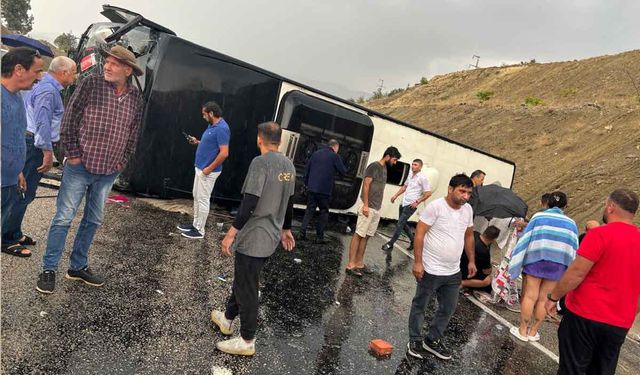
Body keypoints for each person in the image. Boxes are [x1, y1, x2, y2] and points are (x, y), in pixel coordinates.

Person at [36, 46, 144, 294]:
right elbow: (70, 120)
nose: (106, 66)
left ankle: (77, 266)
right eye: (107, 62)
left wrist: (122, 162)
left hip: (108, 171)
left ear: (128, 70)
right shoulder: (91, 84)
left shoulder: (135, 98)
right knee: (64, 217)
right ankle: (49, 269)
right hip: (80, 166)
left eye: (114, 64)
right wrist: (72, 155)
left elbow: (133, 133)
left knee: (93, 219)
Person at [210, 121, 295, 356]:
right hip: (269, 238)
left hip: (253, 237)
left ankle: (247, 340)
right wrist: (286, 228)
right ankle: (227, 319)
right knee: (245, 279)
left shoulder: (260, 163)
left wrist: (230, 233)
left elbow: (249, 202)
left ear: (260, 139)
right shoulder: (288, 165)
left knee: (247, 287)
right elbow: (289, 201)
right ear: (279, 140)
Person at [546, 189, 640, 375]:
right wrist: (629, 314)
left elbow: (577, 272)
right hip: (619, 323)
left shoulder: (600, 234)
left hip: (584, 314)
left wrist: (553, 297)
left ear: (611, 207)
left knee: (572, 368)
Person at [3, 56, 77, 249]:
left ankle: (13, 232)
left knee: (22, 190)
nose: (75, 77)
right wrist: (47, 151)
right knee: (22, 192)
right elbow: (42, 122)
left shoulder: (43, 87)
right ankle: (7, 238)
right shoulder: (48, 90)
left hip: (28, 142)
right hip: (34, 144)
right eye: (74, 72)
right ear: (63, 73)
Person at [407, 174, 476, 360]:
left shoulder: (468, 210)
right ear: (450, 189)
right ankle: (414, 340)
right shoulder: (435, 207)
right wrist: (418, 262)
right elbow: (419, 234)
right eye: (462, 191)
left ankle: (432, 340)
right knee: (421, 305)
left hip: (453, 271)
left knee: (448, 308)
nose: (465, 196)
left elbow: (469, 236)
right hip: (430, 269)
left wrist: (471, 260)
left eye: (469, 193)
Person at [508, 191, 579, 342]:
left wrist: (518, 257)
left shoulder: (539, 217)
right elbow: (573, 246)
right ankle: (533, 331)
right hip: (558, 265)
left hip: (536, 259)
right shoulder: (571, 223)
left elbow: (526, 237)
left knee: (530, 295)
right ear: (565, 206)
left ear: (548, 203)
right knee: (543, 299)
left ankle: (522, 330)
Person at [1, 47, 44, 258]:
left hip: (9, 180)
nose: (39, 78)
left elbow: (13, 137)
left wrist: (18, 169)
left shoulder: (17, 96)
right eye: (36, 71)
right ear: (19, 69)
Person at [177, 101, 230, 239]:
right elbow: (211, 145)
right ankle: (195, 225)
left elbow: (224, 153)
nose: (203, 117)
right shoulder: (212, 125)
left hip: (208, 171)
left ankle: (200, 231)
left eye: (204, 114)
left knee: (203, 199)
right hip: (201, 168)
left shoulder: (222, 129)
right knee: (196, 196)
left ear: (211, 113)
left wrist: (208, 169)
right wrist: (197, 142)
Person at [345, 146, 401, 277]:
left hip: (376, 208)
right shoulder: (373, 166)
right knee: (359, 234)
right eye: (394, 159)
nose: (395, 162)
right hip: (368, 207)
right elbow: (366, 185)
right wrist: (365, 205)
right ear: (387, 156)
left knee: (367, 236)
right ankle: (350, 265)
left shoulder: (385, 169)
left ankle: (359, 263)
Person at [299, 139, 347, 243]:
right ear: (335, 147)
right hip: (324, 190)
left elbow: (307, 169)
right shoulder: (335, 156)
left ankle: (301, 233)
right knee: (323, 212)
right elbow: (343, 171)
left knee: (309, 210)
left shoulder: (316, 154)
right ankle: (319, 237)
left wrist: (306, 184)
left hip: (312, 188)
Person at [382, 159, 432, 252]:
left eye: (415, 165)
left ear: (420, 167)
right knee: (403, 223)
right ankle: (413, 240)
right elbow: (405, 187)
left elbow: (428, 193)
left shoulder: (422, 178)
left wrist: (417, 202)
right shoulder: (410, 175)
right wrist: (395, 195)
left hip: (411, 205)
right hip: (403, 202)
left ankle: (390, 243)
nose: (413, 166)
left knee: (400, 223)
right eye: (412, 164)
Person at [460, 225, 500, 293]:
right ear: (494, 239)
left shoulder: (474, 233)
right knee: (487, 281)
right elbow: (487, 271)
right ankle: (462, 283)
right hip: (466, 270)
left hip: (458, 262)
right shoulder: (484, 252)